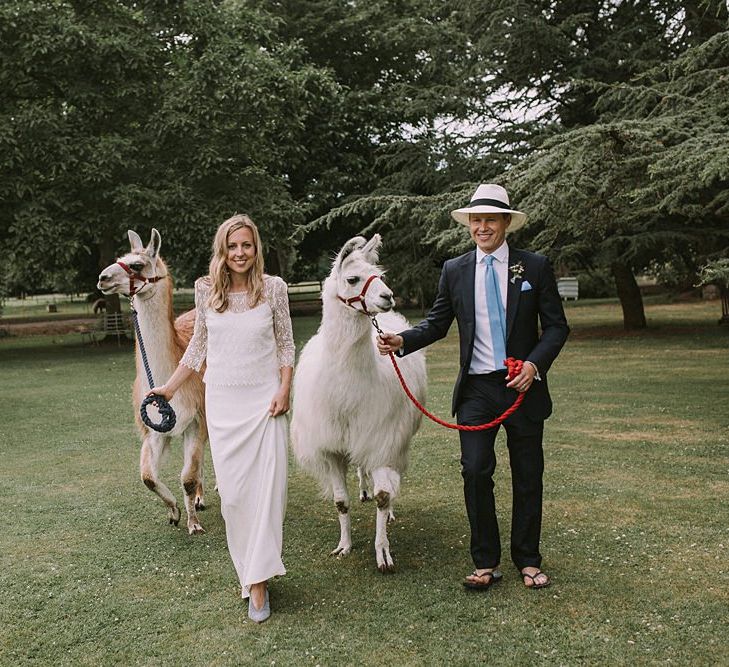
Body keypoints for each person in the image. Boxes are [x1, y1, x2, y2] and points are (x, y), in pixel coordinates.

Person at [377, 184, 569, 591]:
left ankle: (528, 560)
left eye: (490, 220)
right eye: (476, 220)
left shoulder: (533, 267)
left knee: (528, 473)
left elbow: (556, 326)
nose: (482, 227)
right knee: (475, 470)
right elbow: (437, 323)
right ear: (470, 226)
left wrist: (534, 365)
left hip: (523, 388)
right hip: (477, 391)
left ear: (505, 224)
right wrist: (403, 340)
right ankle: (485, 562)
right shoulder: (455, 269)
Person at [148, 213, 294, 622]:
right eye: (232, 246)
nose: (240, 253)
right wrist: (170, 387)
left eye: (246, 245)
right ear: (223, 251)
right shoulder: (207, 291)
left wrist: (284, 389)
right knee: (232, 498)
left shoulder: (274, 290)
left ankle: (259, 583)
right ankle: (248, 569)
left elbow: (285, 345)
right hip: (225, 406)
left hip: (266, 405)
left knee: (267, 495)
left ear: (256, 247)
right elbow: (197, 347)